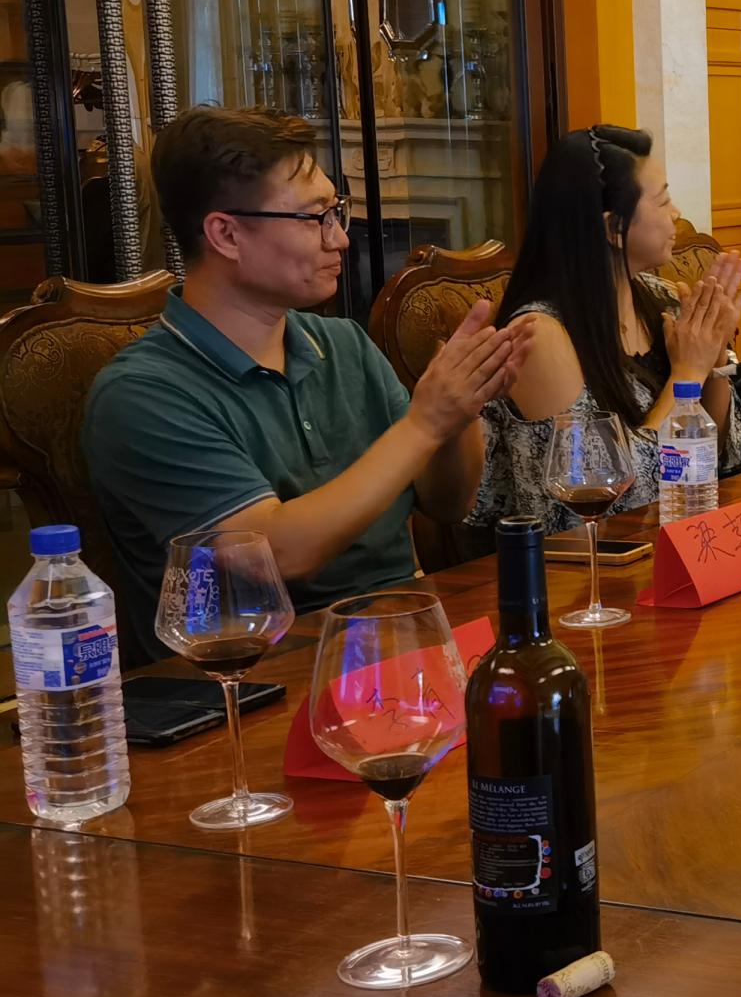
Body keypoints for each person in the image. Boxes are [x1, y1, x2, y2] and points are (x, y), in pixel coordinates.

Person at [85, 106, 529, 659]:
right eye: (314, 217)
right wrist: (425, 423)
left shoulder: (343, 344)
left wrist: (461, 412)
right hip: (259, 672)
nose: (339, 239)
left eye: (336, 211)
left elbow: (448, 503)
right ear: (226, 234)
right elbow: (273, 554)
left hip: (398, 640)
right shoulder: (141, 394)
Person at [467, 125, 741, 532]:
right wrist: (687, 375)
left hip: (668, 538)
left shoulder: (661, 298)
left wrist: (714, 356)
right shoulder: (538, 336)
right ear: (613, 228)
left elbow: (717, 458)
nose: (677, 213)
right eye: (663, 200)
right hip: (579, 559)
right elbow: (604, 501)